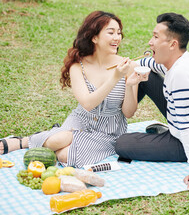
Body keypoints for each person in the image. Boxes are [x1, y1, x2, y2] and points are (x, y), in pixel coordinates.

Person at [0, 11, 148, 168]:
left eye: (119, 33)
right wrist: (115, 77)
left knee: (64, 155)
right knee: (58, 141)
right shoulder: (78, 66)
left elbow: (128, 113)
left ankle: (49, 135)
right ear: (94, 37)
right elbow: (88, 104)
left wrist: (131, 84)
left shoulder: (130, 66)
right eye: (110, 32)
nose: (117, 38)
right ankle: (22, 141)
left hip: (109, 131)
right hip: (81, 120)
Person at [115, 12, 189, 191]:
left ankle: (165, 136)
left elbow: (187, 128)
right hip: (181, 120)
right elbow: (151, 64)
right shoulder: (180, 59)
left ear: (173, 44)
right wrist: (131, 64)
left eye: (156, 37)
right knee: (145, 73)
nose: (150, 41)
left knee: (122, 143)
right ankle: (116, 120)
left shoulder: (182, 76)